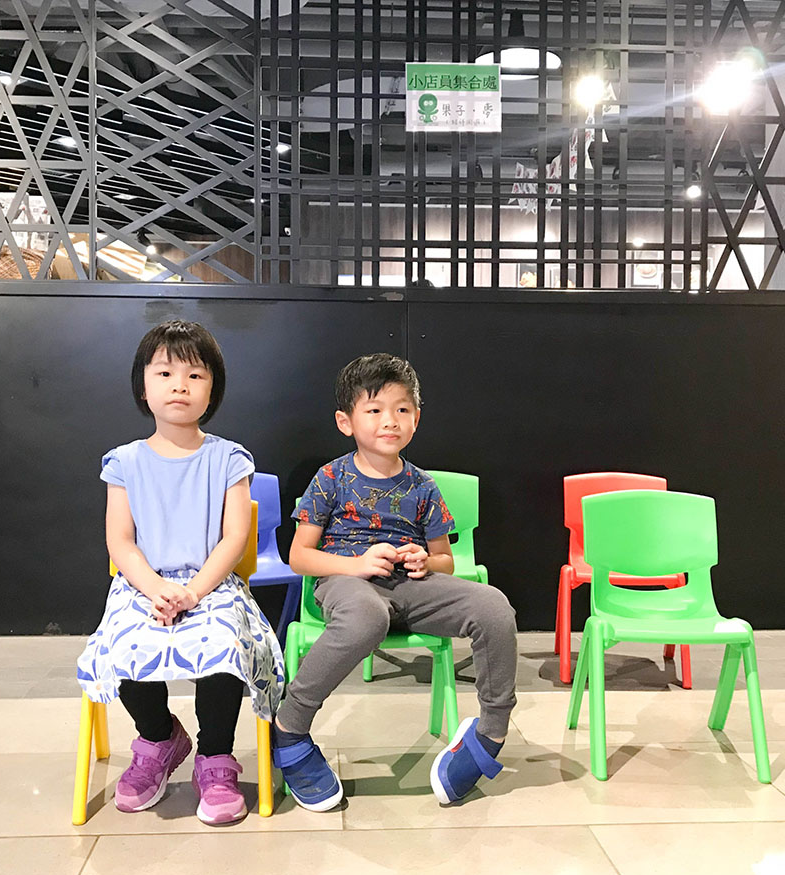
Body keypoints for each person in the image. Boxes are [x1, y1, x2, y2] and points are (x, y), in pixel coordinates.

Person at [272, 353, 518, 810]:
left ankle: (491, 732)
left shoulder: (422, 486)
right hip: (347, 582)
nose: (390, 420)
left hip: (412, 586)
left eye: (402, 409)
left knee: (494, 607)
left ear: (416, 419)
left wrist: (426, 560)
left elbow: (445, 560)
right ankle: (289, 725)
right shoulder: (330, 478)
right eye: (375, 409)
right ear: (346, 422)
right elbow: (300, 557)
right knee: (366, 617)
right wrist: (357, 564)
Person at [77, 320, 283, 825]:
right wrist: (155, 588)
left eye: (195, 375)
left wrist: (192, 592)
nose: (180, 386)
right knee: (124, 644)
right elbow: (120, 542)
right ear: (143, 387)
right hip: (143, 584)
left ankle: (215, 757)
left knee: (223, 646)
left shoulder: (229, 458)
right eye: (165, 373)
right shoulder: (124, 462)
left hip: (212, 584)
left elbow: (234, 538)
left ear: (213, 390)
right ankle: (158, 739)